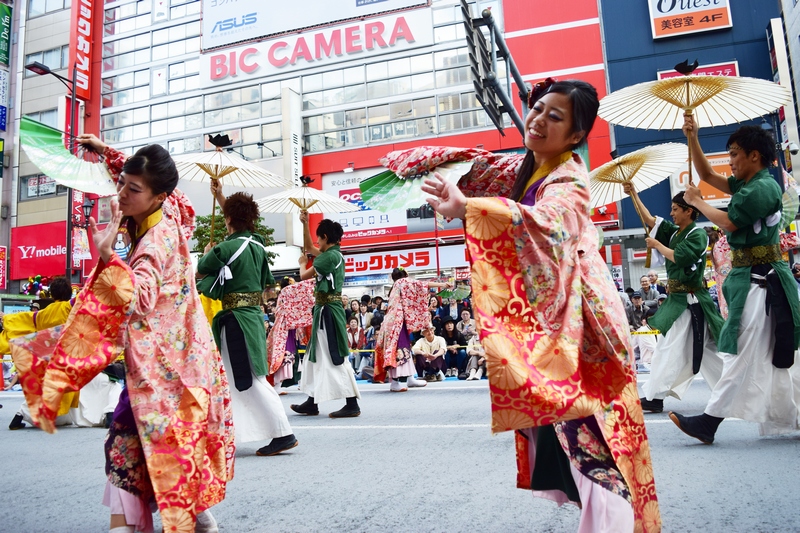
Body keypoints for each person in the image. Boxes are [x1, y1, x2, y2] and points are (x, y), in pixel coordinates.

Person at [400, 79, 658, 531]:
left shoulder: (570, 179)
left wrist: (469, 209)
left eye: (554, 117)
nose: (538, 120)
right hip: (559, 320)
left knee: (595, 445)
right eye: (537, 109)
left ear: (577, 136)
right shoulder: (530, 167)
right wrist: (422, 161)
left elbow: (547, 222)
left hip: (584, 326)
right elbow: (478, 168)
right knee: (574, 439)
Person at [12, 135, 234, 533]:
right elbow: (140, 179)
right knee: (163, 446)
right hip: (185, 364)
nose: (122, 194)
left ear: (158, 195)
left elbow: (140, 299)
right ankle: (195, 518)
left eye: (133, 190)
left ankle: (136, 525)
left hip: (161, 371)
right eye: (121, 184)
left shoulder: (154, 241)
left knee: (129, 444)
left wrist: (108, 255)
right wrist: (108, 151)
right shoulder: (175, 211)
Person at [669, 117, 800, 444]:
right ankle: (792, 416)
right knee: (782, 355)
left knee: (747, 352)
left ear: (754, 156)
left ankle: (708, 422)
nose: (730, 162)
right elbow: (707, 175)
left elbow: (728, 222)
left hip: (763, 284)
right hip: (755, 281)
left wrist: (698, 202)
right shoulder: (751, 184)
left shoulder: (763, 188)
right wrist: (694, 138)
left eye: (734, 154)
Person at [197, 187, 297, 457]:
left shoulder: (225, 247)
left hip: (235, 320)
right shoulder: (258, 244)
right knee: (243, 376)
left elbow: (201, 270)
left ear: (228, 219)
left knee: (247, 379)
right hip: (252, 316)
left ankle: (283, 432)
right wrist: (222, 200)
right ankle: (237, 432)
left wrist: (209, 251)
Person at [624, 184, 725, 414]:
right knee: (708, 352)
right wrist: (633, 193)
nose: (671, 213)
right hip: (680, 301)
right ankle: (733, 389)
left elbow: (680, 257)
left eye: (675, 209)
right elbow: (650, 220)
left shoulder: (697, 235)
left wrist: (657, 244)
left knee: (670, 349)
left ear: (688, 211)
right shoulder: (676, 232)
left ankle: (655, 397)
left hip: (690, 303)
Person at [291, 213, 361, 418]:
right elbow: (309, 247)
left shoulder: (330, 257)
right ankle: (312, 401)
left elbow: (303, 275)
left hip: (328, 312)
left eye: (318, 238)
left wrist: (302, 263)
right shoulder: (333, 254)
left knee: (333, 356)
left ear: (324, 237)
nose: (316, 242)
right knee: (318, 356)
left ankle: (351, 403)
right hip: (326, 311)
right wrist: (304, 223)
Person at [374, 267, 449, 391]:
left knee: (402, 348)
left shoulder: (395, 287)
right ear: (405, 275)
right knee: (400, 349)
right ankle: (396, 382)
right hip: (397, 322)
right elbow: (422, 284)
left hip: (391, 322)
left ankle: (409, 379)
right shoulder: (403, 282)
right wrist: (443, 284)